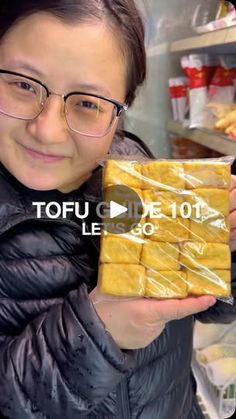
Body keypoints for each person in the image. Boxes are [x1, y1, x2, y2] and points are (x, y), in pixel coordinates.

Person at [0, 1, 236, 418]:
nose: (47, 129)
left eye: (88, 103)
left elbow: (211, 304)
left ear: (121, 110)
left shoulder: (140, 172)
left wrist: (224, 251)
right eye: (22, 84)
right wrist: (98, 334)